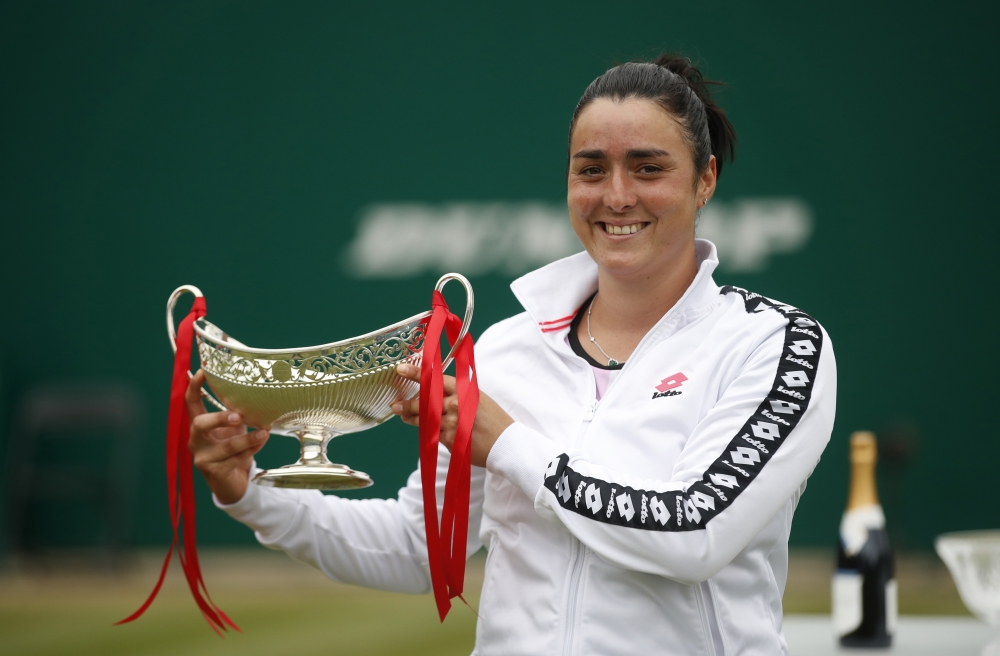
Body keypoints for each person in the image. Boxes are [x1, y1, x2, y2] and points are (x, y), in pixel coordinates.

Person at [187, 54, 836, 655]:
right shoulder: (503, 350)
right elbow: (419, 546)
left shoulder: (773, 345)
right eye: (590, 170)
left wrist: (504, 443)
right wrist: (251, 495)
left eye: (648, 167)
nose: (615, 196)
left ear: (705, 181)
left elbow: (695, 531)